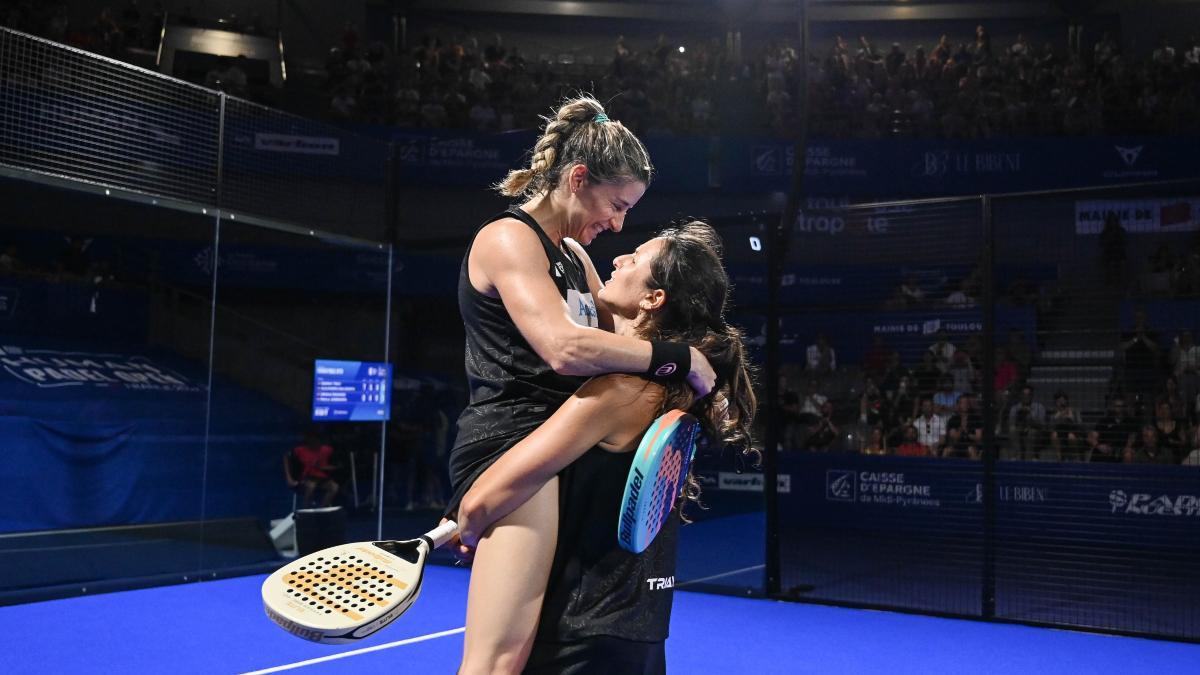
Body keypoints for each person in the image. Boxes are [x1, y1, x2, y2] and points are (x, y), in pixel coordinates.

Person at [444, 97, 715, 673]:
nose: (618, 224)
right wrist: (679, 356)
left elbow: (621, 331)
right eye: (616, 205)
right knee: (499, 660)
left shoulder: (573, 257)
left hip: (559, 439)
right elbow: (566, 350)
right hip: (515, 448)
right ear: (576, 179)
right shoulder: (508, 240)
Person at [454, 222, 755, 673]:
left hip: (582, 637)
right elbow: (598, 296)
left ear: (653, 300)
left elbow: (486, 495)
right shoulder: (677, 386)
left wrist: (469, 523)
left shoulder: (620, 390)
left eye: (633, 258)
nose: (618, 259)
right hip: (640, 632)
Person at [285, 430, 339, 508]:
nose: (313, 443)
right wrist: (289, 478)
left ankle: (322, 509)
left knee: (334, 487)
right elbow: (286, 457)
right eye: (311, 440)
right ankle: (306, 509)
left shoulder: (327, 450)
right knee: (311, 486)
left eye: (316, 440)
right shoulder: (299, 450)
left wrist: (324, 468)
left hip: (322, 478)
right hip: (305, 477)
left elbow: (337, 465)